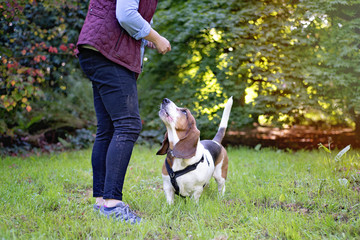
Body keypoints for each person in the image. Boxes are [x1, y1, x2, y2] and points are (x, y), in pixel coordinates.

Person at [76, 0, 171, 224]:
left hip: (98, 49)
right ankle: (112, 204)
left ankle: (101, 201)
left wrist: (149, 39)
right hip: (109, 54)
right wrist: (157, 38)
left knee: (107, 128)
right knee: (128, 124)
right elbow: (126, 14)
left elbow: (129, 20)